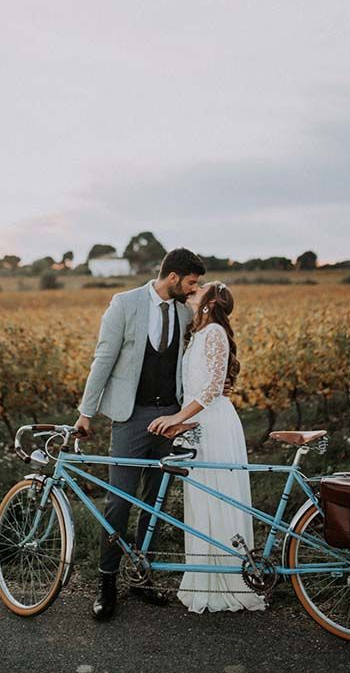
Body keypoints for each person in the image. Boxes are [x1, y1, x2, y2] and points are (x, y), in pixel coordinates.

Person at [74, 247, 206, 621]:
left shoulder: (184, 311)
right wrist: (86, 413)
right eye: (191, 283)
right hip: (130, 419)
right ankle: (107, 584)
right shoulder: (124, 303)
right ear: (173, 278)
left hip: (169, 418)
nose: (195, 290)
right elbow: (104, 357)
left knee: (156, 502)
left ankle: (141, 578)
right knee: (119, 502)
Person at [149, 281, 266, 613]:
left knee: (217, 496)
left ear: (209, 303)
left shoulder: (214, 332)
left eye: (199, 289)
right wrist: (184, 419)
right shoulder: (200, 334)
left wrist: (177, 418)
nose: (192, 290)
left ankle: (227, 580)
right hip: (199, 422)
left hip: (213, 425)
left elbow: (212, 388)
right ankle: (205, 578)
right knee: (201, 499)